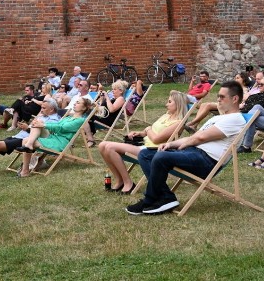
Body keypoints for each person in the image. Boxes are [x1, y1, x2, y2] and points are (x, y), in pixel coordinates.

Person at [125, 81, 247, 215]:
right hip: (193, 153)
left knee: (161, 157)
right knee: (146, 154)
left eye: (222, 97)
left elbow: (200, 138)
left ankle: (149, 200)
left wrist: (185, 144)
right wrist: (171, 144)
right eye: (218, 96)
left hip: (207, 161)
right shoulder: (218, 118)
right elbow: (196, 136)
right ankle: (166, 197)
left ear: (235, 99)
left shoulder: (236, 119)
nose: (218, 99)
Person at [0, 97, 75, 177]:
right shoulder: (43, 116)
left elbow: (46, 133)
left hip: (25, 141)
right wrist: (27, 127)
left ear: (52, 109)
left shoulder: (54, 119)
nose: (41, 110)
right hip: (21, 136)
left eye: (44, 108)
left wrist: (31, 127)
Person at [98, 90, 186, 194]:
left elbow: (156, 139)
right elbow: (149, 131)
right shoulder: (166, 116)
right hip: (143, 145)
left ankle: (128, 183)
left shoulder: (178, 123)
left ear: (178, 104)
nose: (166, 104)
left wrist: (148, 129)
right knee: (102, 145)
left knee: (110, 147)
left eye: (170, 102)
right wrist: (139, 133)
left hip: (153, 150)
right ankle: (119, 180)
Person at [14, 96, 94, 177]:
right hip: (52, 137)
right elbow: (57, 125)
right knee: (31, 132)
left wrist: (44, 125)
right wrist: (41, 124)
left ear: (83, 108)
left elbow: (62, 128)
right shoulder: (69, 117)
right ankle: (26, 164)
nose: (75, 103)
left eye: (78, 102)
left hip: (59, 143)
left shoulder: (80, 120)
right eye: (76, 102)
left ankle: (25, 169)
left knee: (27, 139)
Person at [84, 80, 128, 147]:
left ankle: (90, 139)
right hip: (102, 118)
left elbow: (111, 110)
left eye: (114, 89)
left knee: (88, 118)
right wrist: (101, 99)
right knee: (85, 114)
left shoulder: (121, 99)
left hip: (107, 121)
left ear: (121, 91)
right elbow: (102, 110)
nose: (112, 91)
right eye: (112, 89)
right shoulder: (112, 99)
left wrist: (107, 98)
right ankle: (90, 137)